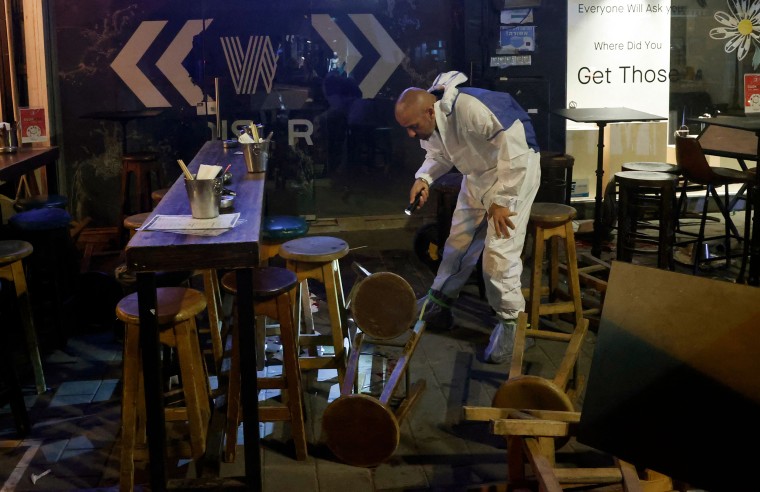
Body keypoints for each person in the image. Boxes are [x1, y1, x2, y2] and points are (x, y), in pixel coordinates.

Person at [394, 71, 541, 364]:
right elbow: (439, 155)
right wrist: (424, 178)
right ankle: (439, 304)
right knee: (458, 242)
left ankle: (513, 325)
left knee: (498, 255)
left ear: (428, 111)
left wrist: (502, 200)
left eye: (412, 127)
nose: (411, 134)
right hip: (477, 176)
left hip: (513, 176)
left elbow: (517, 151)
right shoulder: (433, 121)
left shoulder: (472, 108)